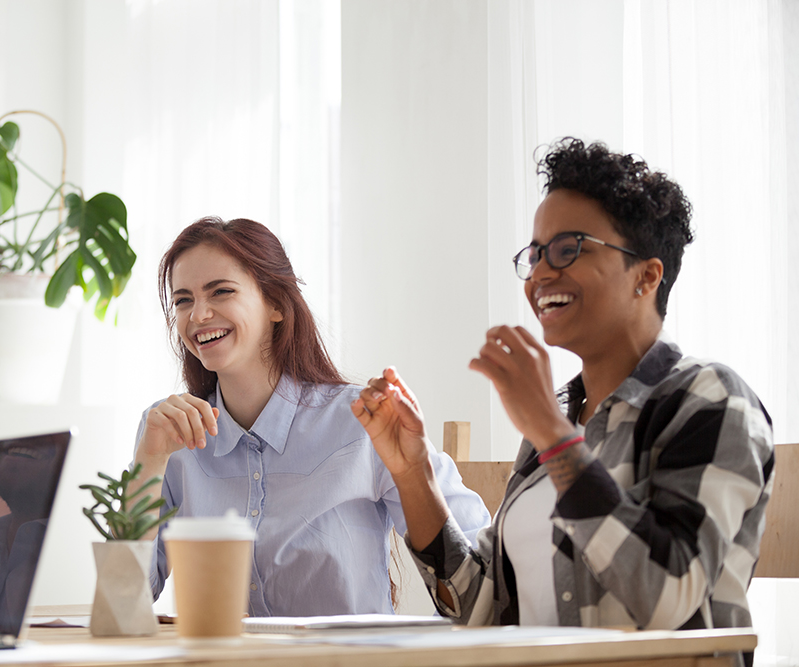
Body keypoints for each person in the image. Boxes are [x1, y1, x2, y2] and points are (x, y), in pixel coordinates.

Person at [352, 139, 773, 665]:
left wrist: (555, 437)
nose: (541, 273)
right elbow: (481, 607)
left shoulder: (709, 400)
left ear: (646, 275)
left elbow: (669, 599)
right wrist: (411, 472)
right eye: (536, 254)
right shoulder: (557, 416)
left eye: (569, 248)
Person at [130, 216, 489, 616]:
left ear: (277, 305)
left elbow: (479, 581)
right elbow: (124, 602)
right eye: (183, 300)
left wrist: (414, 469)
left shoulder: (364, 422)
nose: (197, 315)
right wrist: (149, 464)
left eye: (221, 291)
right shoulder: (170, 436)